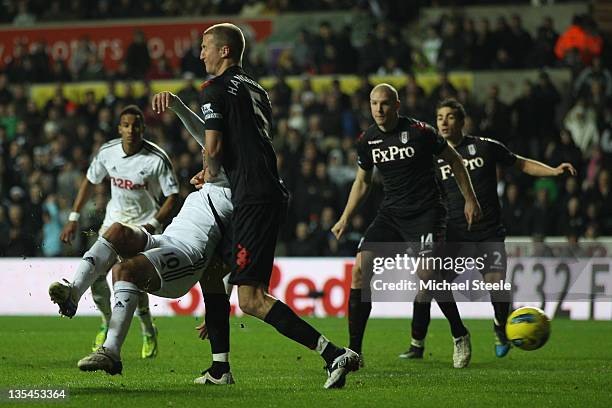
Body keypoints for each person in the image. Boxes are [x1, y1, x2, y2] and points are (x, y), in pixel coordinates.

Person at [191, 22, 359, 389]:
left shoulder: (213, 89)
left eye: (205, 46)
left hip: (252, 195)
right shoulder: (255, 88)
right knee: (214, 268)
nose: (200, 53)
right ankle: (220, 368)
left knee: (250, 299)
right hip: (265, 189)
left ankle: (333, 354)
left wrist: (208, 172)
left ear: (225, 51)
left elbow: (214, 148)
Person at [400, 98, 576, 359]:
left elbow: (521, 163)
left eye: (450, 117)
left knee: (496, 284)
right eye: (439, 118)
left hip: (487, 233)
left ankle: (499, 325)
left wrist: (552, 171)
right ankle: (417, 344)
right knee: (427, 284)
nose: (444, 122)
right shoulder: (433, 158)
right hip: (453, 235)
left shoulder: (485, 147)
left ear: (462, 121)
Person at [332, 83, 482, 369]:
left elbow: (455, 159)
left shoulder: (420, 132)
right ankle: (354, 351)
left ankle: (459, 333)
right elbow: (362, 181)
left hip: (427, 212)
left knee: (427, 276)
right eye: (374, 103)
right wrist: (345, 217)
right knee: (360, 269)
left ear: (397, 106)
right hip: (392, 214)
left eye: (385, 103)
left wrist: (470, 200)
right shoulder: (369, 139)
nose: (379, 109)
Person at [74, 155, 233, 383]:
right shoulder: (202, 193)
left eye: (209, 161)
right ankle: (73, 293)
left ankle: (110, 351)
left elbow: (225, 265)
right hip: (166, 240)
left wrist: (183, 115)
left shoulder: (233, 199)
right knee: (117, 230)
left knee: (124, 271)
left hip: (187, 255)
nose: (204, 163)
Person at [49, 105, 179, 359]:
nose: (131, 130)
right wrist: (74, 217)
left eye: (136, 126)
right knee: (98, 277)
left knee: (134, 281)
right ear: (119, 128)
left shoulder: (156, 158)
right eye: (126, 125)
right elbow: (89, 180)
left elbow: (173, 196)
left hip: (143, 227)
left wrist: (153, 223)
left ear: (143, 128)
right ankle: (105, 319)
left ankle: (147, 329)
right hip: (113, 223)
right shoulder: (108, 152)